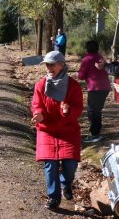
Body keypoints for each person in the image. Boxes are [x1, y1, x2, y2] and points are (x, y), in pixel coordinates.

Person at [31, 51, 83, 210]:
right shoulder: (40, 84)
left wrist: (68, 110)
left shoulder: (73, 85)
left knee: (70, 165)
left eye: (52, 64)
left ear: (61, 65)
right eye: (47, 64)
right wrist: (38, 114)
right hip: (47, 130)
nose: (48, 67)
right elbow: (37, 104)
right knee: (50, 164)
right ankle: (54, 197)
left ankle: (66, 183)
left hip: (68, 130)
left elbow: (78, 108)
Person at [77, 40, 110, 143]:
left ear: (86, 49)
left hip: (95, 88)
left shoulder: (86, 59)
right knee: (97, 110)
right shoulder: (100, 57)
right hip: (105, 87)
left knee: (92, 111)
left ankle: (95, 134)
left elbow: (81, 76)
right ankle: (96, 132)